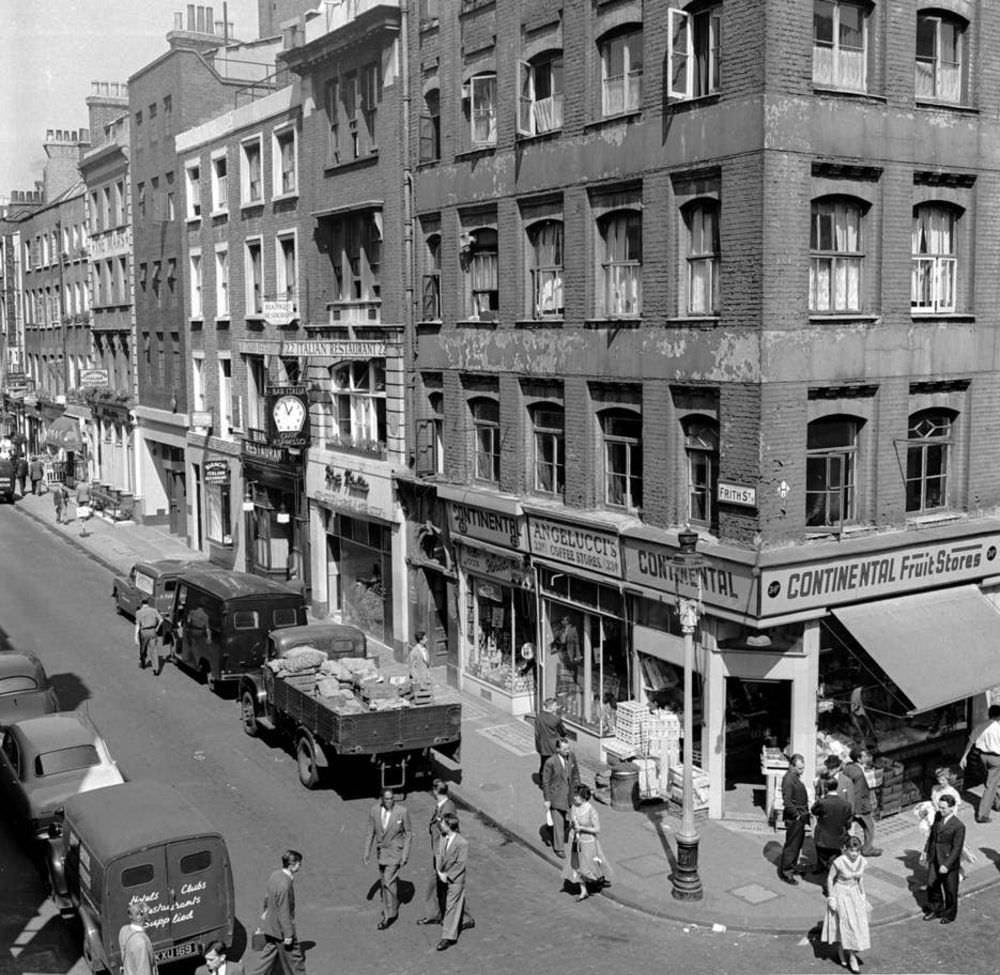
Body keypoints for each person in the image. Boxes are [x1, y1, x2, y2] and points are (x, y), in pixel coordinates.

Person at [820, 836, 871, 973]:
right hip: (841, 893)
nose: (855, 854)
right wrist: (831, 898)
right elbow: (830, 879)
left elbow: (860, 879)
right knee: (847, 924)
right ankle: (852, 956)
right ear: (846, 850)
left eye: (857, 851)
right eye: (852, 851)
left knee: (857, 925)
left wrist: (863, 895)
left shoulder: (861, 861)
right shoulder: (839, 862)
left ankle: (843, 950)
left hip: (854, 893)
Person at [363, 788, 412, 930]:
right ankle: (392, 907)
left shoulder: (402, 811)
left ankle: (389, 915)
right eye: (387, 799)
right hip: (381, 852)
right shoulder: (374, 811)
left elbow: (408, 833)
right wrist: (366, 852)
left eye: (392, 798)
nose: (390, 801)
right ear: (382, 799)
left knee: (388, 882)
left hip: (395, 852)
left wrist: (405, 855)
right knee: (385, 881)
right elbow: (370, 832)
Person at [251, 849, 306, 975]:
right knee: (295, 961)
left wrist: (265, 910)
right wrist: (288, 934)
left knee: (267, 958)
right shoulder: (285, 885)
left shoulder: (275, 875)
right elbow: (284, 910)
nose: (300, 866)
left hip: (271, 926)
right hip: (281, 931)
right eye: (299, 864)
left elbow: (267, 896)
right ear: (292, 866)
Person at [431, 812, 474, 951]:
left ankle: (448, 937)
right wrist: (439, 871)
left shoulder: (462, 843)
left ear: (449, 825)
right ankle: (466, 921)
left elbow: (460, 864)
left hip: (455, 880)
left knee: (451, 906)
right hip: (443, 875)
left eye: (443, 823)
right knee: (451, 904)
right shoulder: (444, 838)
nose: (441, 825)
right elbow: (439, 854)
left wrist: (447, 875)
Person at [418, 779, 459, 924]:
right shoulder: (442, 806)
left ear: (435, 791)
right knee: (433, 884)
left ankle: (462, 918)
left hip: (443, 854)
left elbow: (450, 834)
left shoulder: (448, 808)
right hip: (438, 852)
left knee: (449, 885)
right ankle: (433, 914)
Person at [562, 784, 612, 900]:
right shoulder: (574, 807)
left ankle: (598, 880)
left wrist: (582, 829)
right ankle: (583, 890)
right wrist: (573, 825)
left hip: (589, 842)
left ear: (584, 798)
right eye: (575, 795)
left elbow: (597, 829)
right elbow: (573, 819)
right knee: (577, 866)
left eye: (577, 796)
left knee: (590, 866)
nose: (575, 798)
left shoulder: (591, 810)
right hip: (577, 841)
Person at [922, 793, 966, 924]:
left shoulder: (959, 826)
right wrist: (926, 850)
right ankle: (936, 909)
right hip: (935, 857)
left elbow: (957, 848)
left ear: (952, 808)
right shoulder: (937, 816)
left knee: (950, 890)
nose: (940, 810)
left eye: (943, 808)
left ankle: (950, 914)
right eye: (939, 807)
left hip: (948, 862)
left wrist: (946, 864)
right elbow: (933, 835)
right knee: (931, 885)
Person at [959, 703, 1000, 822]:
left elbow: (971, 741)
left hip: (982, 757)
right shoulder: (998, 727)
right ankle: (982, 815)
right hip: (996, 759)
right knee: (991, 786)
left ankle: (998, 804)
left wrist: (964, 756)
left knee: (992, 781)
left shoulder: (981, 726)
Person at [542, 738, 580, 860]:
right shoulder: (550, 762)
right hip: (556, 796)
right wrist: (547, 799)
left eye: (568, 748)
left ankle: (552, 831)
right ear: (557, 749)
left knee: (569, 820)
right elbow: (546, 782)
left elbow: (575, 773)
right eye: (564, 749)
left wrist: (578, 790)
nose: (567, 751)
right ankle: (559, 848)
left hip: (569, 795)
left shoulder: (571, 756)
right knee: (559, 823)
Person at [811, 777, 854, 885]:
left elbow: (814, 810)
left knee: (825, 861)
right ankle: (832, 881)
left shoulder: (822, 802)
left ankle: (828, 885)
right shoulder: (846, 804)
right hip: (838, 837)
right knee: (833, 861)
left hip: (822, 838)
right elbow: (848, 821)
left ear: (825, 788)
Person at [778, 753, 810, 884]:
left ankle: (792, 866)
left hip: (800, 816)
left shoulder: (794, 777)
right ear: (791, 766)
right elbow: (787, 801)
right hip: (795, 818)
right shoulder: (788, 779)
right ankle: (786, 872)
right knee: (792, 845)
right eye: (799, 768)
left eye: (803, 768)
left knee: (797, 843)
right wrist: (796, 815)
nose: (802, 771)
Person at [843, 747, 882, 856]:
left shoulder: (848, 768)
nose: (867, 757)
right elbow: (858, 793)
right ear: (859, 759)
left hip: (849, 804)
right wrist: (857, 811)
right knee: (869, 826)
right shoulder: (859, 774)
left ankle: (847, 847)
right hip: (860, 806)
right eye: (864, 756)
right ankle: (867, 849)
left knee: (847, 827)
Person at [533, 697, 567, 782]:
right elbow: (563, 731)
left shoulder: (539, 717)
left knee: (544, 763)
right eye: (555, 705)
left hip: (542, 745)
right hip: (553, 746)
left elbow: (537, 733)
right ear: (551, 707)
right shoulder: (555, 719)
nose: (556, 707)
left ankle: (543, 779)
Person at [118, 902, 156, 975]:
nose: (149, 914)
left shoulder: (124, 930)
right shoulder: (141, 943)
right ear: (142, 915)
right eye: (147, 912)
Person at [134, 598, 162, 671]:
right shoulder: (154, 610)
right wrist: (157, 628)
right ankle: (156, 669)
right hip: (152, 631)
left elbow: (137, 625)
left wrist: (135, 636)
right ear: (148, 603)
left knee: (143, 648)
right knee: (154, 650)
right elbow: (161, 620)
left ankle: (143, 662)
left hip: (144, 632)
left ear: (141, 603)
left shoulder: (138, 612)